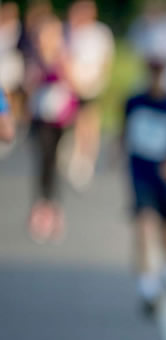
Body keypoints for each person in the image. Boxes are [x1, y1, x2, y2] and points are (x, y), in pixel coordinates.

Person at [121, 56, 166, 315]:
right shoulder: (135, 101)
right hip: (141, 172)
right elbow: (125, 131)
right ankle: (148, 285)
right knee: (143, 222)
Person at [24, 14, 79, 243]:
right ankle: (41, 207)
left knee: (54, 164)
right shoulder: (34, 57)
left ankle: (53, 210)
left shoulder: (63, 56)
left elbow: (74, 84)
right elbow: (27, 86)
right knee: (42, 162)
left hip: (60, 118)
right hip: (39, 116)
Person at [63, 0, 114, 191]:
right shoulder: (70, 31)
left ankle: (86, 159)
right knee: (74, 122)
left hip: (91, 85)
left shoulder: (99, 33)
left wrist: (96, 80)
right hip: (72, 84)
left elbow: (105, 59)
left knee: (89, 122)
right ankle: (74, 154)